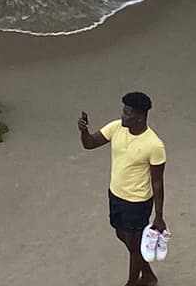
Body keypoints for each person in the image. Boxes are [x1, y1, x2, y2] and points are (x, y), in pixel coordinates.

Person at [79, 91, 167, 286]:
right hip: (116, 194)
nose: (122, 115)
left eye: (127, 112)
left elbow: (158, 183)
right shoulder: (116, 128)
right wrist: (84, 131)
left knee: (134, 244)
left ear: (139, 117)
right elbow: (90, 144)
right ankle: (149, 276)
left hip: (137, 202)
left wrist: (159, 216)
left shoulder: (154, 145)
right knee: (122, 234)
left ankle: (132, 282)